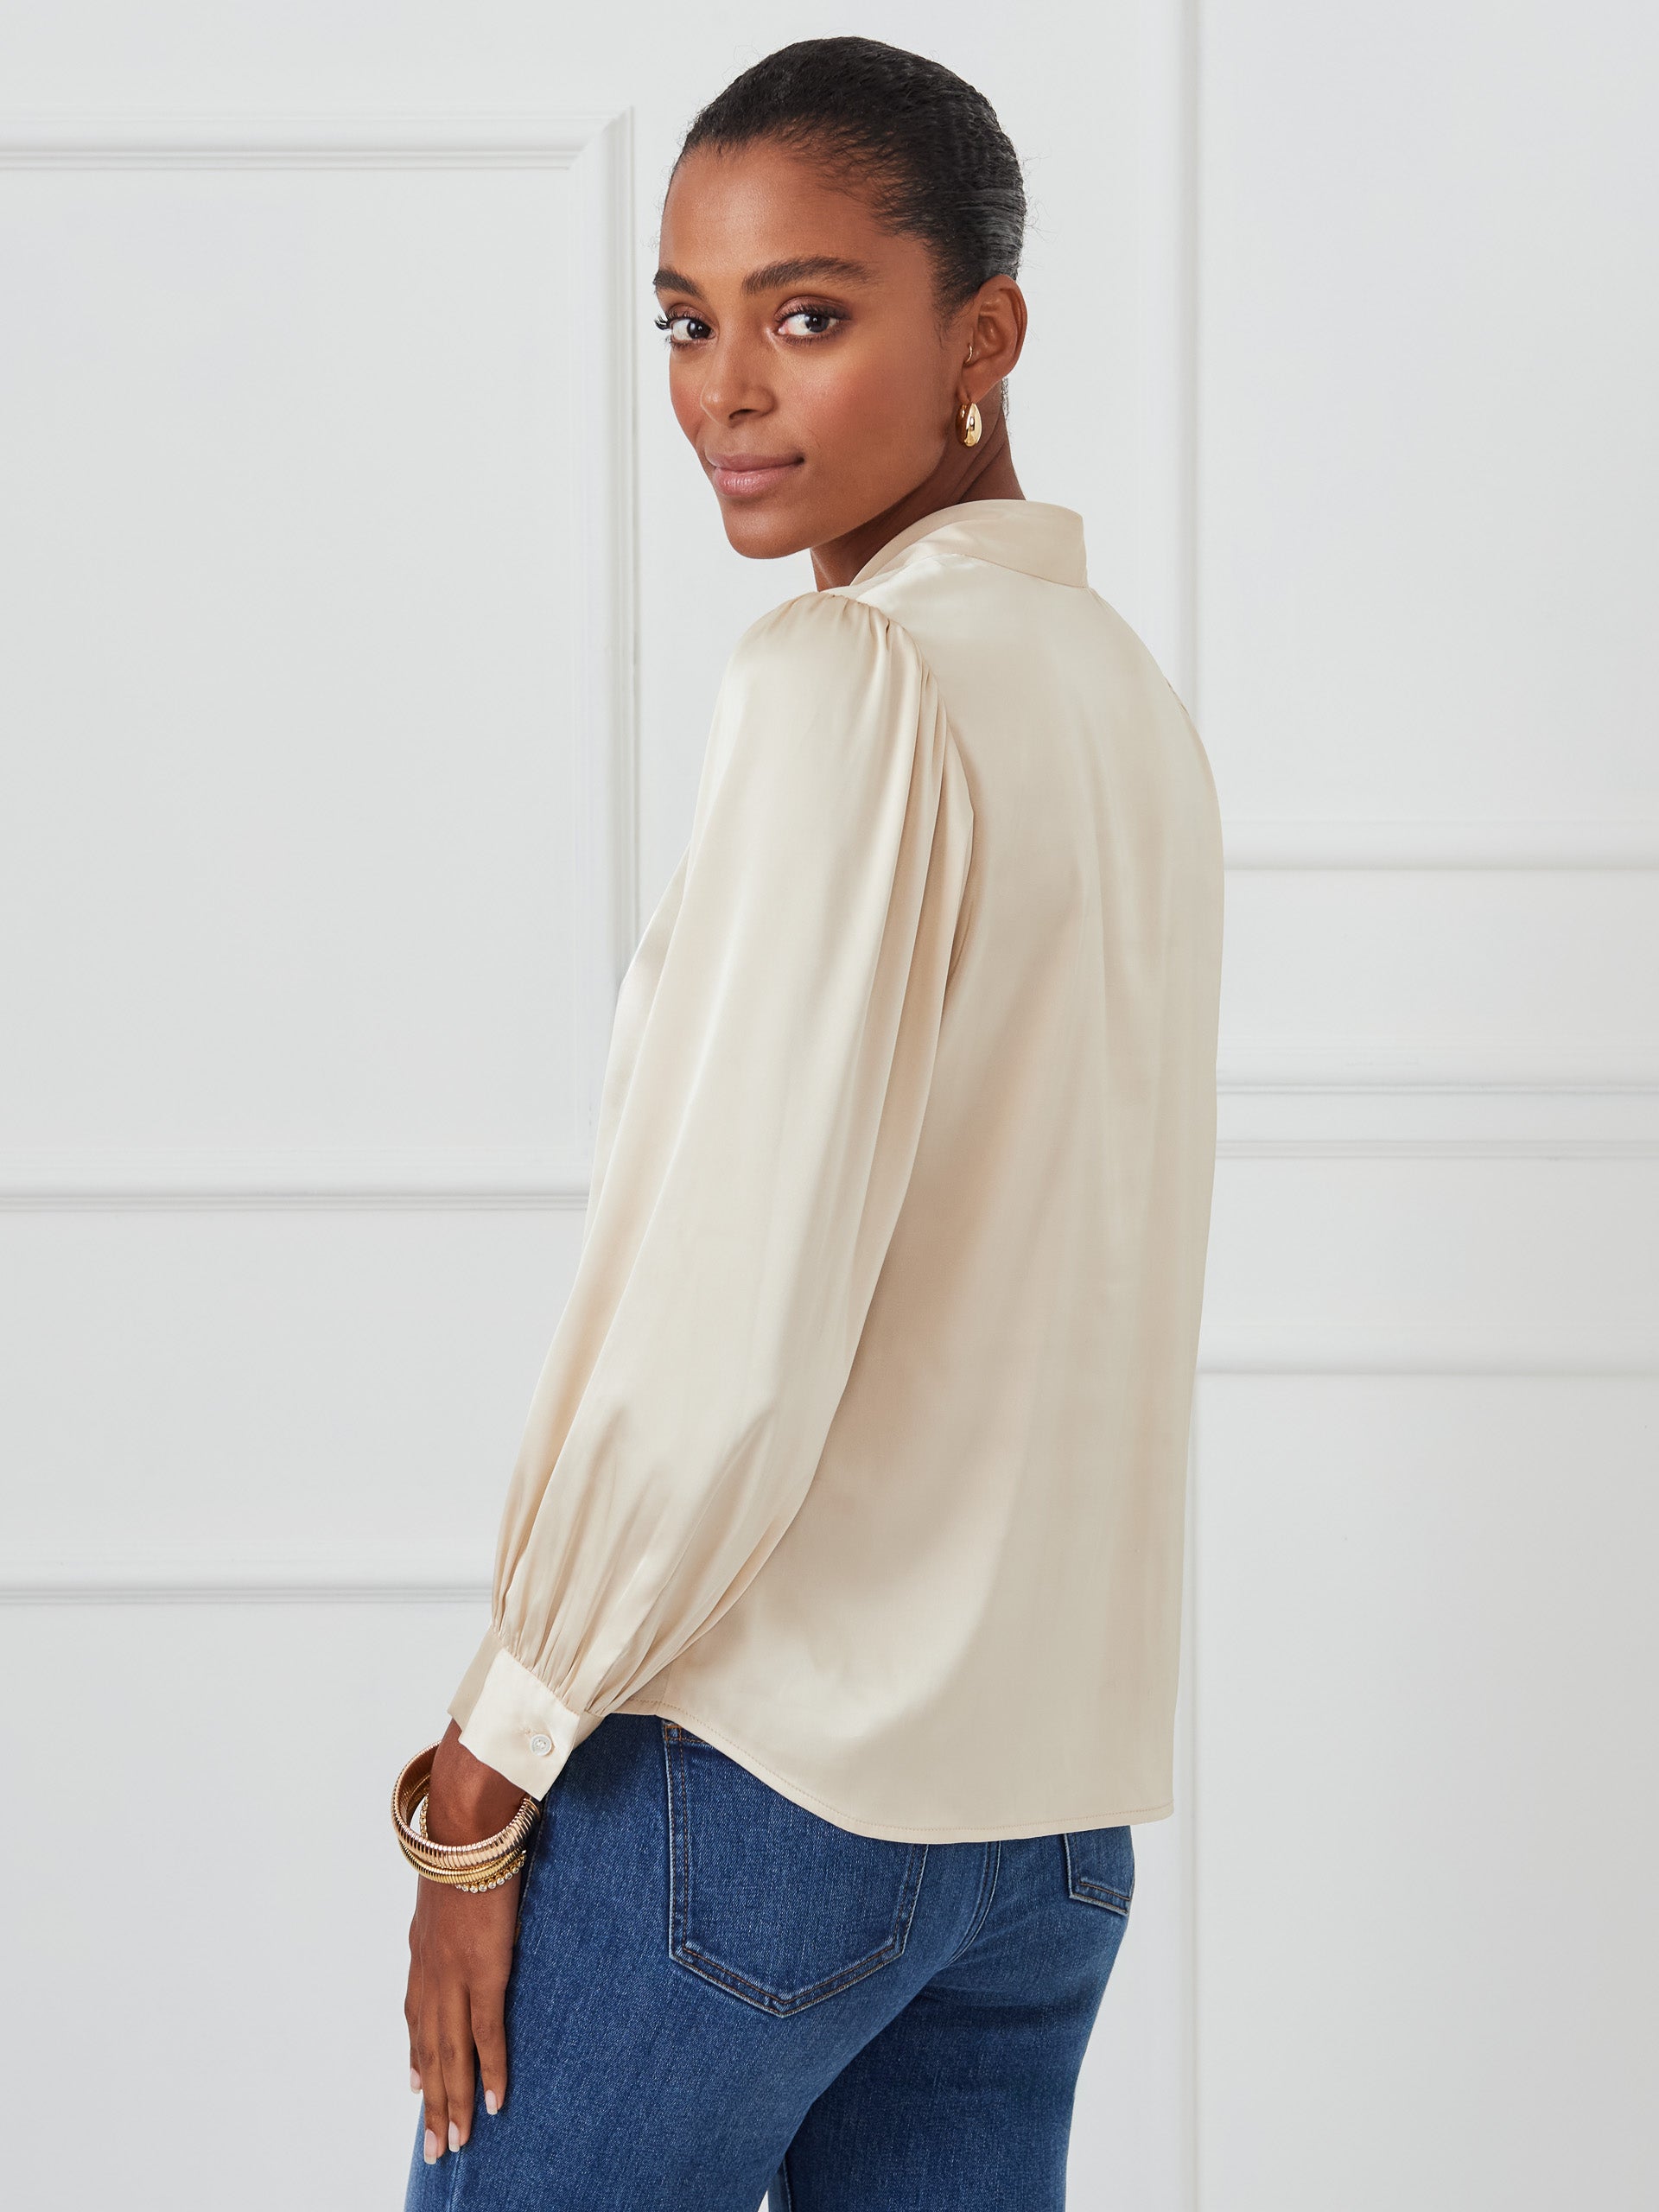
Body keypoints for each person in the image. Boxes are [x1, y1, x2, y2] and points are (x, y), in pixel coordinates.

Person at [397, 35, 1223, 2211]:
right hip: (1044, 1826)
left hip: (760, 1792)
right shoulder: (1128, 708)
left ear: (985, 338)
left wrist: (500, 1744)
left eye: (810, 312)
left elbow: (729, 1297)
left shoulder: (845, 680)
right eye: (689, 321)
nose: (728, 392)